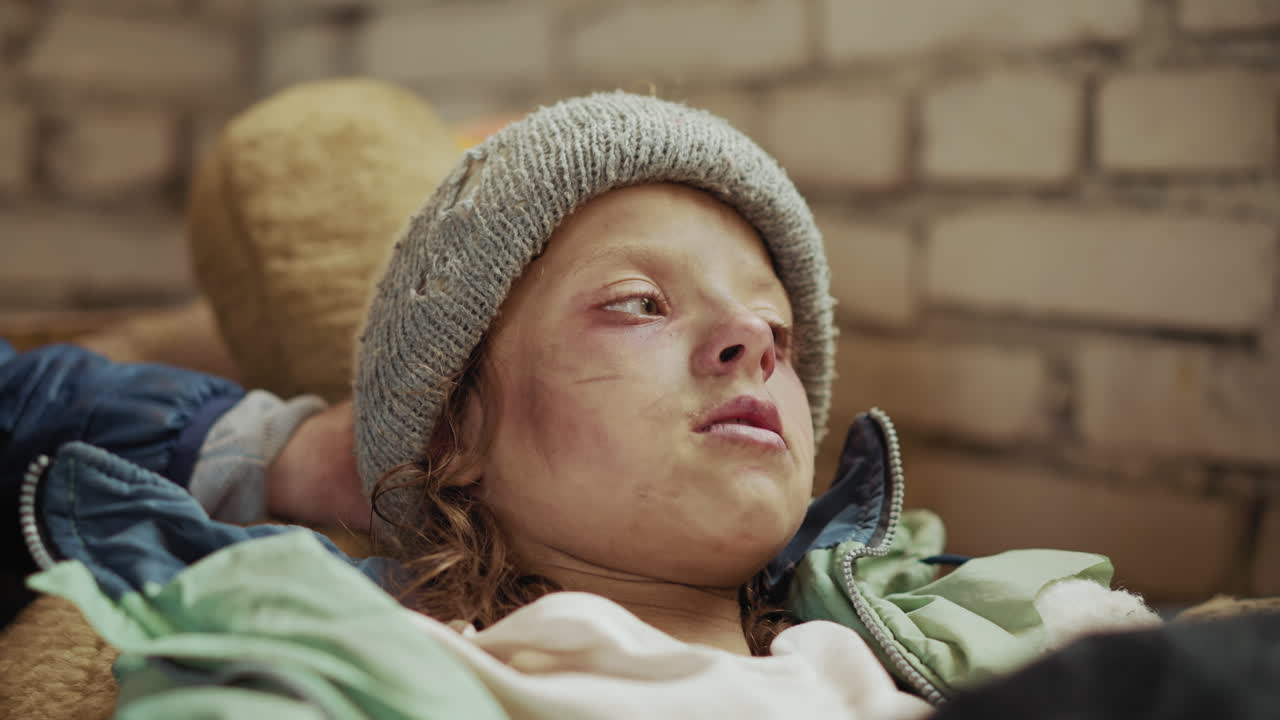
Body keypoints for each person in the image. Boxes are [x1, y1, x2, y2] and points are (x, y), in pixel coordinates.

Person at [3, 92, 1157, 719]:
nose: (753, 340)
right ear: (455, 434)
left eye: (778, 332)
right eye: (640, 303)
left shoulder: (998, 627)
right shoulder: (351, 668)